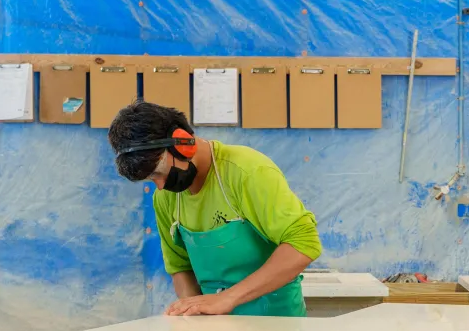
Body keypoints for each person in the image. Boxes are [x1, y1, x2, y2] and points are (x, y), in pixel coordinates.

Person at [107, 101, 320, 316]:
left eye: (159, 173)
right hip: (216, 329)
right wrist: (196, 314)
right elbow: (180, 267)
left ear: (183, 144)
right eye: (151, 179)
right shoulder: (165, 198)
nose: (160, 186)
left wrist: (228, 298)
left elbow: (303, 243)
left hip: (277, 325)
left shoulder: (246, 171)